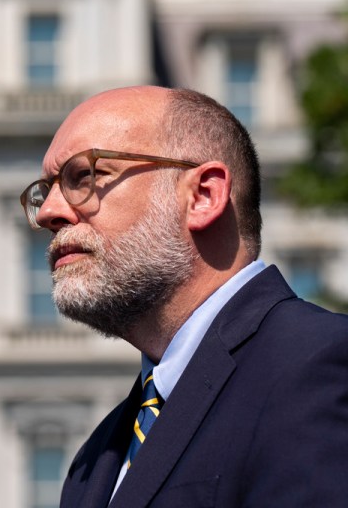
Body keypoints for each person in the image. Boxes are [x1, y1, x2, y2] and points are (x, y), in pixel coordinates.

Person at [19, 86, 348, 507]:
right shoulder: (96, 456)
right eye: (44, 192)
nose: (48, 213)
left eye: (84, 176)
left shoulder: (320, 365)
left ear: (203, 196)